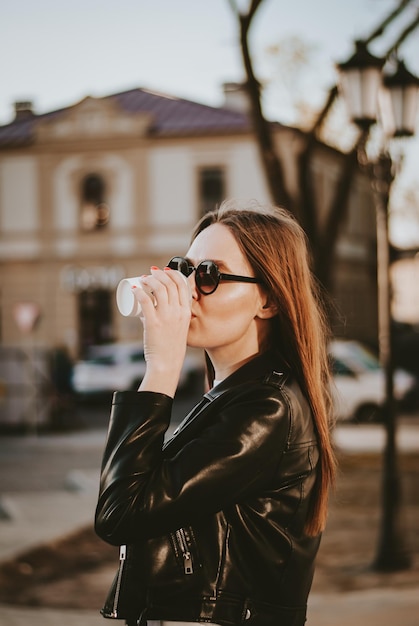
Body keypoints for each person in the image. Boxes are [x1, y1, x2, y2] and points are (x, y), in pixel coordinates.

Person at [95, 199, 337, 626]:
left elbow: (122, 513)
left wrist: (162, 365)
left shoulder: (267, 409)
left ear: (268, 301)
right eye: (183, 268)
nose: (186, 288)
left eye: (208, 275)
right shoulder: (236, 395)